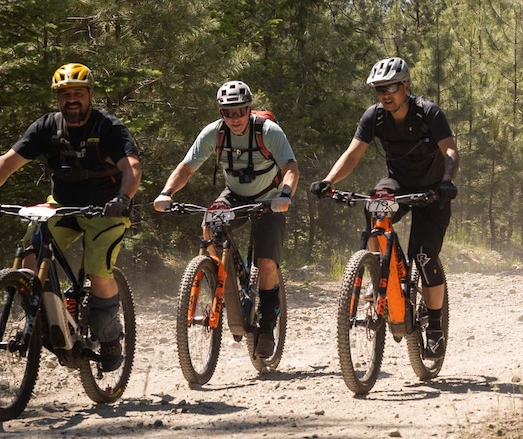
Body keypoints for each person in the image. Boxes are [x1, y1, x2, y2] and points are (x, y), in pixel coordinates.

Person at [0, 63, 141, 371]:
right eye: (64, 95)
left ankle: (109, 335)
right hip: (61, 206)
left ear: (90, 95)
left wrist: (123, 198)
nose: (71, 100)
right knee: (28, 257)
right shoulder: (47, 126)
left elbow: (132, 167)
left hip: (105, 209)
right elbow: (9, 161)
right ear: (58, 99)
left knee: (99, 269)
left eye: (77, 93)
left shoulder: (108, 128)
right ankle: (46, 320)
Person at [309, 57, 459, 360]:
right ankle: (382, 273)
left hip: (433, 189)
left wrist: (446, 181)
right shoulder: (374, 116)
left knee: (424, 254)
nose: (385, 94)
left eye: (391, 87)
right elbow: (353, 154)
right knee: (375, 207)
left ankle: (434, 326)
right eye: (379, 90)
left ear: (406, 85)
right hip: (398, 183)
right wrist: (327, 181)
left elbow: (451, 151)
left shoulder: (428, 112)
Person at [153, 80, 299, 358]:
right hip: (234, 195)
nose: (234, 118)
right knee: (208, 224)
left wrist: (286, 194)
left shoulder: (268, 131)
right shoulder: (214, 133)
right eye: (227, 113)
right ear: (221, 113)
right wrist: (166, 192)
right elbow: (186, 167)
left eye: (239, 111)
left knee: (267, 263)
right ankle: (226, 280)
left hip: (269, 198)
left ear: (249, 109)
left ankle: (266, 327)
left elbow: (290, 167)